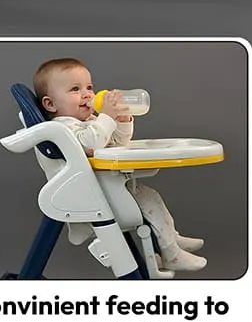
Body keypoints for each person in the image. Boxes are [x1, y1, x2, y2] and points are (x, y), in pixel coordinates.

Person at [32, 54, 206, 272]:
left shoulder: (89, 121)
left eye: (89, 87)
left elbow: (118, 143)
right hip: (94, 195)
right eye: (75, 89)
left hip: (106, 186)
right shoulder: (63, 127)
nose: (87, 94)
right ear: (50, 104)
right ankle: (171, 253)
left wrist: (122, 121)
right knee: (148, 202)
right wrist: (106, 117)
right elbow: (91, 143)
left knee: (151, 197)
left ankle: (170, 240)